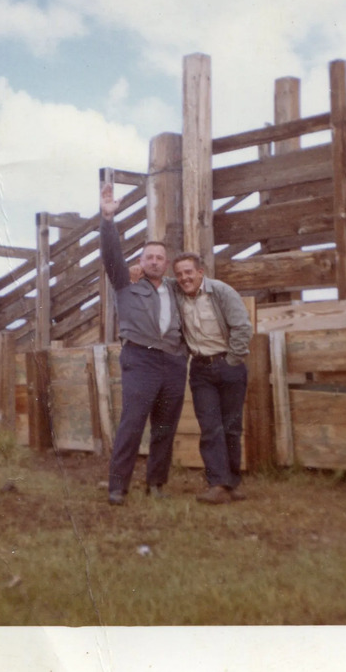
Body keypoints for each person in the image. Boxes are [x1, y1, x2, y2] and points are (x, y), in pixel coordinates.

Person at [99, 182, 189, 506]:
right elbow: (111, 255)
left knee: (165, 426)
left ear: (166, 263)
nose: (153, 261)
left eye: (159, 257)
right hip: (140, 359)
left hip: (174, 362)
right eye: (148, 257)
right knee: (133, 423)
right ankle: (118, 487)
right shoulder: (126, 282)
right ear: (140, 260)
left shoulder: (176, 288)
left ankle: (156, 484)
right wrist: (107, 220)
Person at [171, 252, 253, 505]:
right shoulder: (176, 294)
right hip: (200, 369)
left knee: (231, 427)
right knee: (210, 427)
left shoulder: (221, 292)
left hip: (229, 366)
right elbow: (157, 282)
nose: (184, 278)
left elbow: (242, 327)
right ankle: (217, 484)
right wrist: (138, 271)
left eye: (188, 272)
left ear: (200, 272)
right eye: (179, 274)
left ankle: (232, 484)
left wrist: (232, 360)